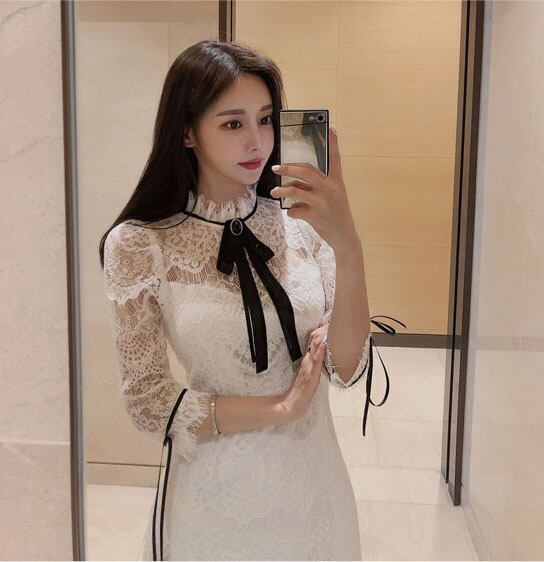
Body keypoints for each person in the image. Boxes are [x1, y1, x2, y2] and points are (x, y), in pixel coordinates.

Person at [99, 39, 374, 561]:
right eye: (232, 123)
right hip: (214, 495)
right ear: (187, 131)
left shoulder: (302, 221)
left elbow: (346, 366)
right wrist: (280, 407)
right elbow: (148, 400)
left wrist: (348, 245)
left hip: (313, 486)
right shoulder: (139, 244)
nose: (257, 141)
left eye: (267, 119)